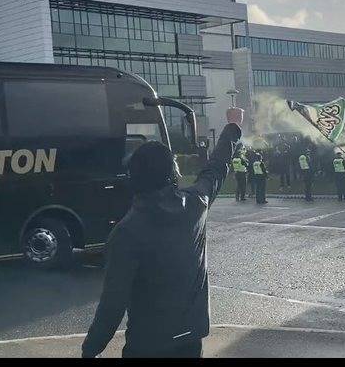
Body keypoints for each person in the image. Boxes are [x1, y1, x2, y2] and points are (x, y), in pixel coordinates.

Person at [81, 108, 244, 359]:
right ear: (173, 174)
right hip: (191, 337)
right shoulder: (195, 204)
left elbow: (112, 304)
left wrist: (90, 350)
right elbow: (216, 167)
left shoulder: (126, 232)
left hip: (148, 345)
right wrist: (232, 127)